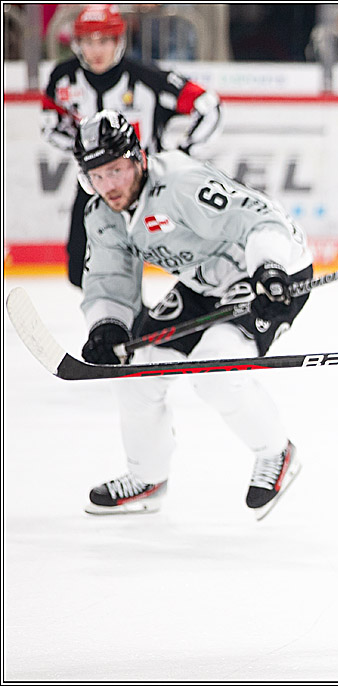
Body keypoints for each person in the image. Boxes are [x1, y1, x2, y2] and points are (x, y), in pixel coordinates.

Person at [72, 110, 313, 520]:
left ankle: (277, 452)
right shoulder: (103, 214)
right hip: (205, 282)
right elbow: (109, 277)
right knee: (135, 372)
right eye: (97, 175)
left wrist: (269, 268)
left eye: (115, 170)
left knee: (216, 371)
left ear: (137, 158)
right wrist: (107, 327)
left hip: (270, 271)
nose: (108, 185)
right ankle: (147, 478)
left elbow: (257, 219)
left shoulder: (180, 183)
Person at [41, 4, 222, 289]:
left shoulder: (147, 78)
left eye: (104, 40)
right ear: (77, 44)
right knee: (79, 269)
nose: (96, 50)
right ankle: (118, 321)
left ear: (119, 41)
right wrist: (82, 151)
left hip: (149, 188)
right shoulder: (63, 78)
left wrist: (182, 154)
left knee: (189, 264)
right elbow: (50, 124)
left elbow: (208, 106)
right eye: (88, 41)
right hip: (96, 186)